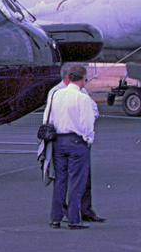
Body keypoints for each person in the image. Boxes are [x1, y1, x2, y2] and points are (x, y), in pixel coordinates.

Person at [45, 64, 105, 223]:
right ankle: (74, 219)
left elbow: (49, 118)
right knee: (77, 181)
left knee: (60, 180)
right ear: (83, 78)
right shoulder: (82, 98)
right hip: (76, 141)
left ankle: (56, 217)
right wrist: (89, 139)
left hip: (59, 140)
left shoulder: (56, 94)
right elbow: (87, 123)